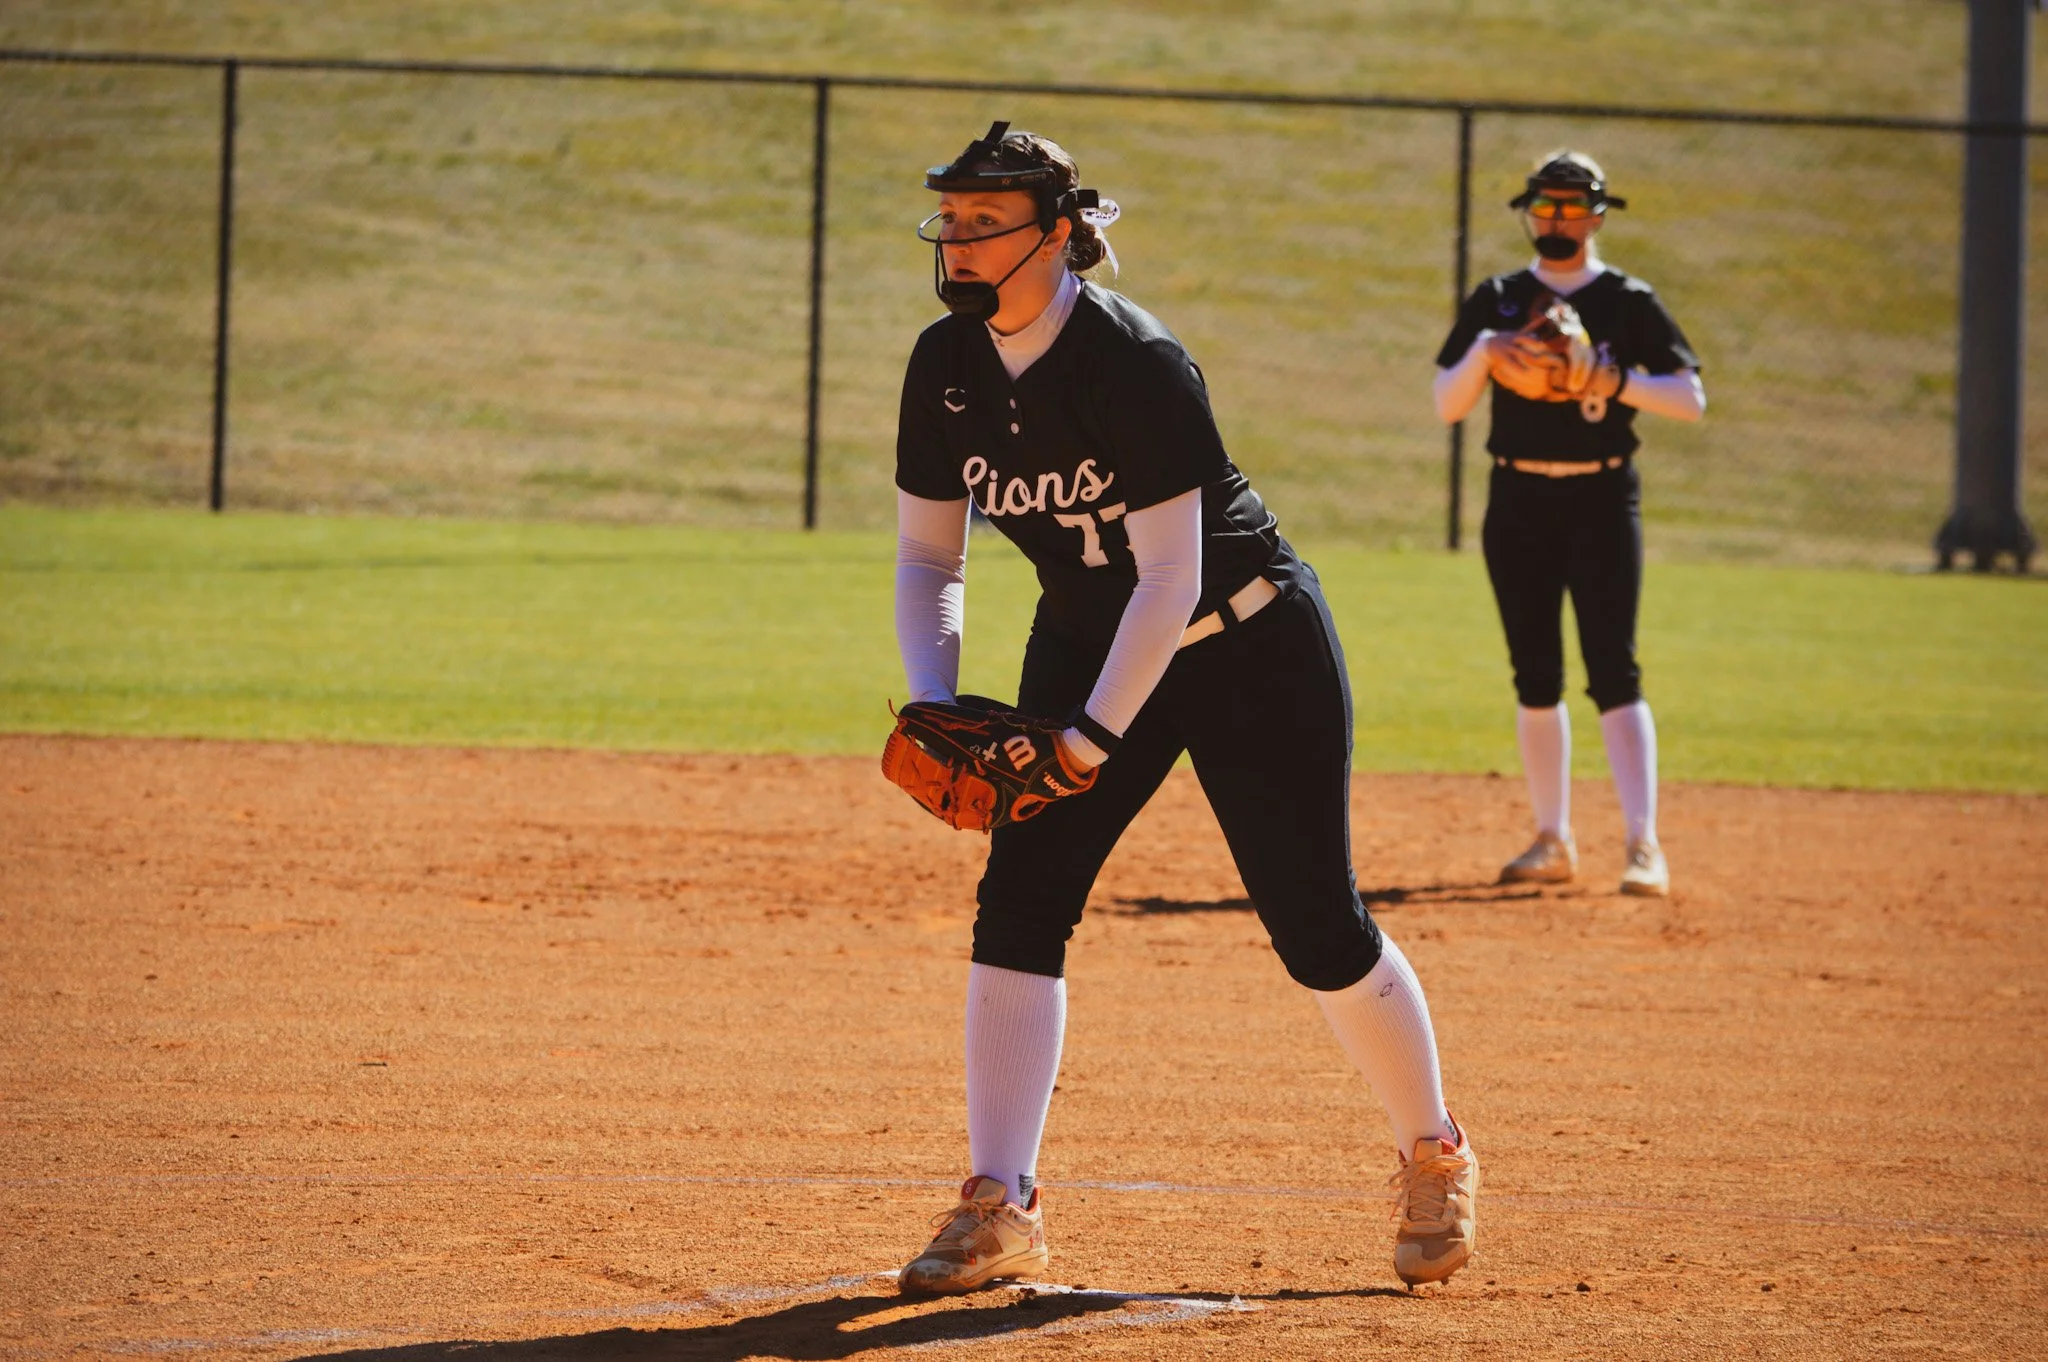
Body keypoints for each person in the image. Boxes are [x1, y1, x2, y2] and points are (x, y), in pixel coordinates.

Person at [888, 121, 1479, 1295]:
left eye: (984, 221)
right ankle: (1001, 1205)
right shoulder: (942, 364)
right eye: (947, 219)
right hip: (1085, 636)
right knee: (1020, 900)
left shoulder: (1134, 361)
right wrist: (932, 701)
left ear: (1056, 233)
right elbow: (927, 557)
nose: (956, 242)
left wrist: (1088, 739)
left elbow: (1170, 577)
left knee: (1313, 922)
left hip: (1242, 640)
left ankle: (1434, 1152)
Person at [1432, 150, 1706, 898]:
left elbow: (1690, 398)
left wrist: (1610, 379)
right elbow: (1448, 403)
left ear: (1598, 215)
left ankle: (1643, 844)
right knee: (1535, 674)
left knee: (1615, 670)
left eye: (1573, 207)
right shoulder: (1499, 299)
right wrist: (1488, 350)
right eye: (1546, 206)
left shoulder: (1627, 300)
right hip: (1518, 496)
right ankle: (1552, 838)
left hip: (1602, 497)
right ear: (1529, 213)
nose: (1557, 220)